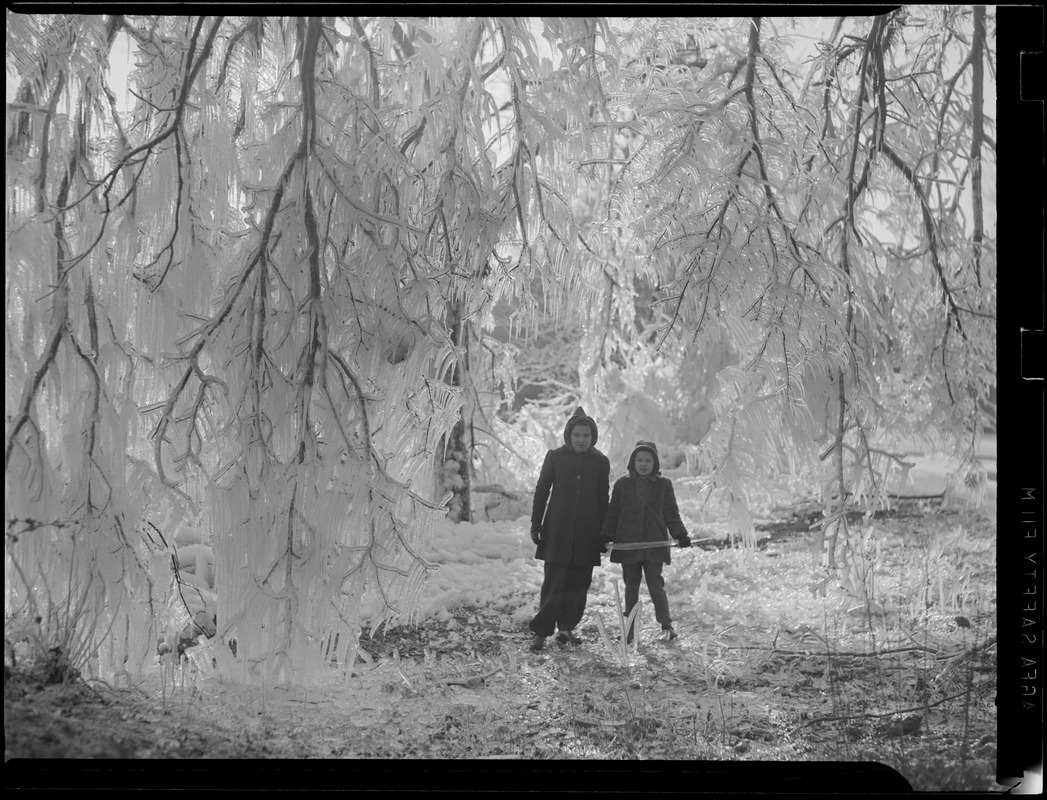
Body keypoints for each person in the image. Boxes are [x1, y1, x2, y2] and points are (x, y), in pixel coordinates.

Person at [528, 406, 611, 652]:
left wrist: (605, 533)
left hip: (587, 534)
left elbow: (602, 499)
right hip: (557, 532)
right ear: (568, 436)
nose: (581, 440)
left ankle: (566, 628)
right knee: (554, 583)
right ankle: (541, 632)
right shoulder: (555, 457)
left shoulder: (600, 462)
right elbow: (542, 492)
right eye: (577, 435)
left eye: (586, 436)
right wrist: (536, 524)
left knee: (578, 585)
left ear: (592, 437)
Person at [600, 441, 691, 642]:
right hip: (628, 545)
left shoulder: (663, 485)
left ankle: (667, 625)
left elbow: (671, 513)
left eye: (648, 460)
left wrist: (680, 535)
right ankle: (630, 630)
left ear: (655, 463)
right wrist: (605, 536)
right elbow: (613, 512)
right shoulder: (622, 484)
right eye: (639, 459)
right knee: (631, 586)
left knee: (655, 585)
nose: (643, 464)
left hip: (655, 545)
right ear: (633, 461)